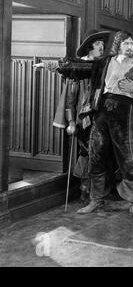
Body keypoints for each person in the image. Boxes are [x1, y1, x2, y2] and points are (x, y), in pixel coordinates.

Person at [77, 31, 133, 221]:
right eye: (126, 43)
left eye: (131, 43)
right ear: (118, 45)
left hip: (125, 112)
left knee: (128, 156)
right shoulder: (105, 62)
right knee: (96, 153)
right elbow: (80, 68)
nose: (130, 47)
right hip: (102, 111)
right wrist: (53, 65)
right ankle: (96, 199)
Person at [36, 30, 112, 201]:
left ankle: (99, 190)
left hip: (103, 117)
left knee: (102, 152)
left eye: (102, 43)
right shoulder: (78, 68)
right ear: (90, 47)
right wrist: (71, 121)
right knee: (87, 152)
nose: (102, 47)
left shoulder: (104, 66)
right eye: (98, 43)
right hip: (85, 118)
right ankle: (86, 186)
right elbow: (70, 99)